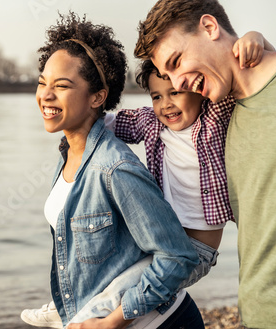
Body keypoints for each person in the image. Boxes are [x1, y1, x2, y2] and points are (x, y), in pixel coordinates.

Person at [23, 29, 272, 329]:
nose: (166, 104)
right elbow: (113, 122)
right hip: (164, 240)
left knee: (110, 298)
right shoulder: (150, 125)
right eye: (156, 96)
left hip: (196, 250)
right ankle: (69, 307)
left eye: (176, 92)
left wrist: (255, 41)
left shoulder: (211, 120)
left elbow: (241, 82)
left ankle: (76, 315)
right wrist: (77, 119)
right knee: (118, 286)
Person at [135, 0, 276, 328]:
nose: (178, 82)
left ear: (209, 27)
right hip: (257, 312)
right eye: (167, 76)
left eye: (177, 61)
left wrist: (257, 38)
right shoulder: (217, 116)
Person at [26, 12, 205, 329]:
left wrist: (111, 322)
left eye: (62, 86)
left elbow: (178, 258)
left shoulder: (114, 167)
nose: (46, 95)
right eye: (43, 83)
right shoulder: (69, 153)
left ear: (97, 97)